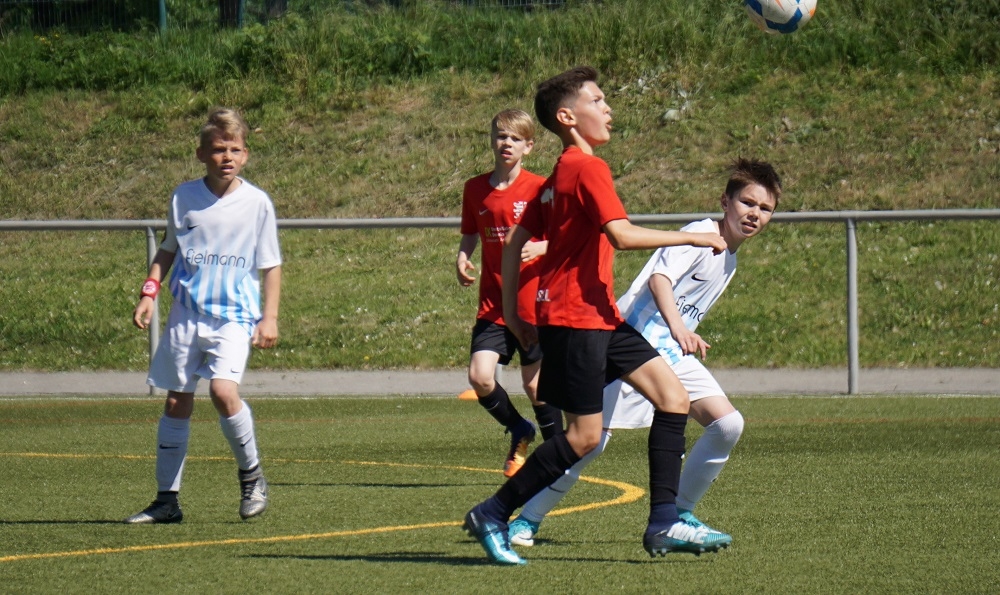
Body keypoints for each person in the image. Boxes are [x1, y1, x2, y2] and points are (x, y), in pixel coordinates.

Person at [461, 66, 731, 565]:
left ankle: (664, 522)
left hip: (601, 317)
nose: (608, 109)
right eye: (598, 100)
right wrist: (695, 236)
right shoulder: (586, 168)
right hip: (576, 320)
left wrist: (515, 312)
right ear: (567, 117)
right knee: (584, 437)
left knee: (673, 399)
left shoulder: (558, 176)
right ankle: (493, 513)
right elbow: (621, 235)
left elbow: (516, 241)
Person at [507, 158, 781, 547]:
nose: (754, 213)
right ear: (725, 201)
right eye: (747, 203)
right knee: (588, 442)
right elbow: (659, 280)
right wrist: (679, 326)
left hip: (672, 355)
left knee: (727, 425)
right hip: (631, 348)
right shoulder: (701, 233)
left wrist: (680, 332)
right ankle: (524, 519)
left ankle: (679, 514)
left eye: (765, 208)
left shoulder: (729, 256)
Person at [124, 108, 283, 524]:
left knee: (223, 392)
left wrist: (269, 317)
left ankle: (252, 477)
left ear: (246, 155)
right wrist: (149, 292)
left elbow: (271, 264)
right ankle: (166, 501)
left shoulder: (257, 203)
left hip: (233, 317)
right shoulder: (184, 197)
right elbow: (168, 249)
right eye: (217, 149)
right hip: (186, 314)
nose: (226, 157)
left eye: (235, 149)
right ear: (200, 154)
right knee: (177, 401)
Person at [456, 109, 564, 477]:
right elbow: (471, 231)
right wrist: (463, 256)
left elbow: (566, 235)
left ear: (528, 147)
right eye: (501, 136)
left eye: (516, 139)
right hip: (494, 304)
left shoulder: (540, 188)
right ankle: (519, 428)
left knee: (536, 387)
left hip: (532, 305)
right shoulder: (474, 188)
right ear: (491, 140)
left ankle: (558, 456)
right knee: (480, 377)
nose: (507, 143)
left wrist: (543, 246)